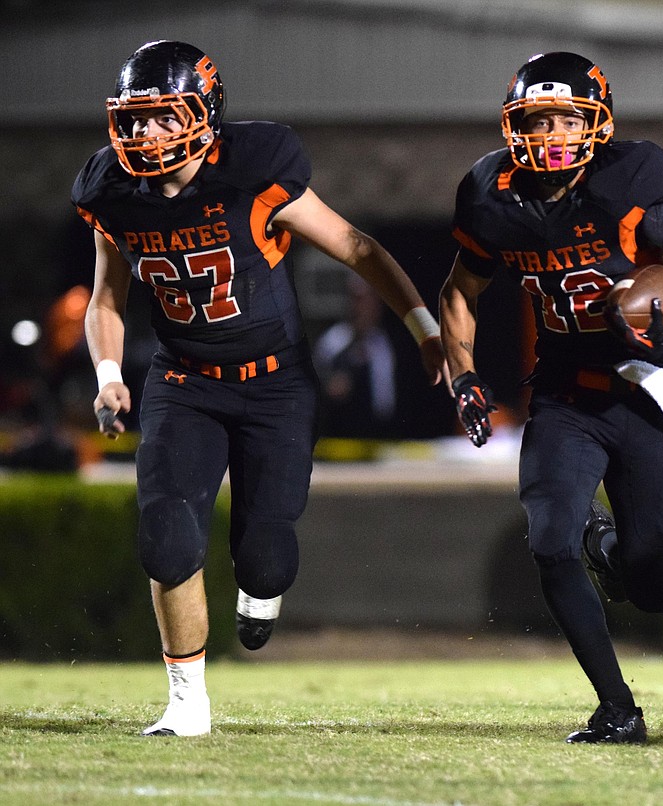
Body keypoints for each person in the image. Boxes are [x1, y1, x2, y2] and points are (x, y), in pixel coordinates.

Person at [72, 40, 447, 737]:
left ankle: (259, 588)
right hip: (183, 381)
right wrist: (108, 375)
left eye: (161, 117)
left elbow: (356, 246)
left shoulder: (255, 168)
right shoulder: (110, 191)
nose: (144, 133)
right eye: (134, 118)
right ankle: (188, 704)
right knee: (166, 540)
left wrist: (424, 326)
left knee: (267, 558)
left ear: (204, 114)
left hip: (275, 384)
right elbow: (105, 298)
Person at [439, 51, 663, 744]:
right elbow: (460, 289)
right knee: (548, 541)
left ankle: (608, 543)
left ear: (596, 124)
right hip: (563, 397)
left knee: (655, 586)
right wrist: (461, 371)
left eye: (564, 119)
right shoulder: (491, 194)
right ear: (514, 125)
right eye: (536, 120)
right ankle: (618, 708)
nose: (549, 134)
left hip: (640, 396)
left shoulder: (630, 183)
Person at [314, 275, 398, 438]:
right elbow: (314, 382)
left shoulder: (383, 345)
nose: (362, 307)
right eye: (357, 300)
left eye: (368, 301)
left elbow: (385, 401)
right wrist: (329, 386)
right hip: (337, 434)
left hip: (375, 435)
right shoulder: (333, 340)